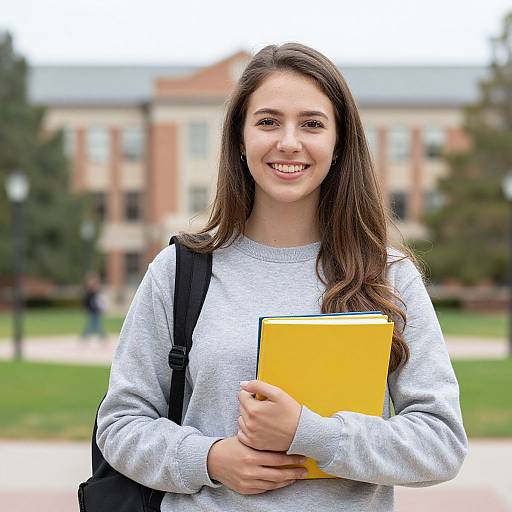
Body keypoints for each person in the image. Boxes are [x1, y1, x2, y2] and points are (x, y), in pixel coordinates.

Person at [96, 43, 467, 511]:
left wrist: (309, 434)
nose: (289, 141)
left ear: (339, 143)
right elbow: (121, 424)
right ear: (240, 138)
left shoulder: (388, 276)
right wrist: (209, 458)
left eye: (312, 124)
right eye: (268, 121)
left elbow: (441, 443)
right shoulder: (179, 271)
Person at [80, 272, 107, 342]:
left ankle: (102, 336)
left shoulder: (95, 291)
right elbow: (87, 302)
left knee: (95, 324)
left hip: (95, 310)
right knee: (93, 324)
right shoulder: (88, 291)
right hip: (91, 310)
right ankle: (86, 336)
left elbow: (98, 301)